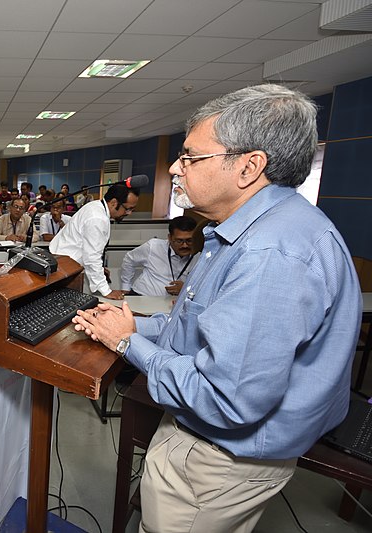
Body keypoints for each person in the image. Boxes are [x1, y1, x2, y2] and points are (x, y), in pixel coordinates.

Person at [71, 84, 362, 533]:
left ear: (249, 166)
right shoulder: (247, 233)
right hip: (220, 449)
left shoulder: (269, 253)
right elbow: (198, 327)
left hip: (217, 457)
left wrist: (127, 343)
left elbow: (226, 398)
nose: (175, 168)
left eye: (190, 156)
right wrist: (134, 325)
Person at [50, 182, 139, 300]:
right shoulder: (97, 218)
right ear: (113, 203)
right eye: (128, 209)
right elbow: (92, 257)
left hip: (65, 263)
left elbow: (86, 247)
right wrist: (106, 291)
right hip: (66, 269)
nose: (129, 213)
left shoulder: (96, 205)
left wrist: (99, 270)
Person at [120, 215, 199, 296]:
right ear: (169, 238)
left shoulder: (201, 255)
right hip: (142, 296)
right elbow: (129, 259)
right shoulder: (153, 246)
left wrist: (186, 289)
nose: (184, 245)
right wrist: (125, 287)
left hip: (176, 302)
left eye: (189, 240)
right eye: (179, 241)